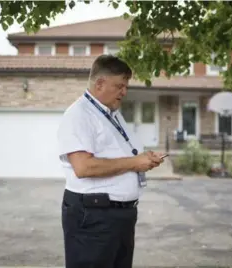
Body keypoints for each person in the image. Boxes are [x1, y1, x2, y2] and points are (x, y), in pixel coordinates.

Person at [57, 54, 166, 268]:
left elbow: (120, 153)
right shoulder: (78, 115)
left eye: (126, 86)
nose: (124, 92)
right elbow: (83, 166)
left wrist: (145, 159)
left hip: (118, 216)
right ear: (100, 83)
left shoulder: (111, 114)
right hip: (95, 217)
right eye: (120, 86)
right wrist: (134, 163)